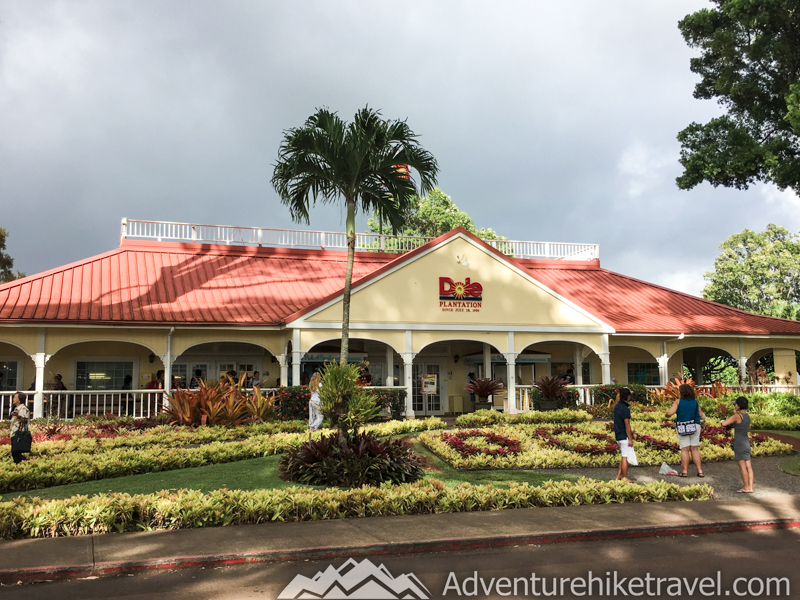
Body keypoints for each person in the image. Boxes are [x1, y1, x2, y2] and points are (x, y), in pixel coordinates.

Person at [666, 383, 705, 477]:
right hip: (695, 425)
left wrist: (666, 415)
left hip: (682, 426)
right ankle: (700, 471)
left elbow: (670, 413)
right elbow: (702, 415)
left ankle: (685, 471)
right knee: (694, 449)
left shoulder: (678, 402)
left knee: (685, 449)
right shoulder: (695, 402)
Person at [722, 396, 753, 493]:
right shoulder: (747, 416)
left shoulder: (737, 416)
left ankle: (745, 487)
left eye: (736, 404)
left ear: (739, 406)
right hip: (746, 442)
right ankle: (750, 487)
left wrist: (722, 421)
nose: (735, 405)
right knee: (748, 466)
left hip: (739, 443)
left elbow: (724, 424)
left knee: (742, 466)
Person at [613, 387, 635, 481]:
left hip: (618, 434)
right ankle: (625, 477)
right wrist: (630, 438)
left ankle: (619, 476)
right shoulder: (625, 409)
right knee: (625, 457)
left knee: (623, 455)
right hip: (624, 436)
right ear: (628, 397)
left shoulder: (617, 406)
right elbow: (627, 425)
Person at [10, 392, 31, 464]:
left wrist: (18, 415)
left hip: (19, 433)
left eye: (15, 397)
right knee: (15, 452)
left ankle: (25, 463)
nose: (13, 399)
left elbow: (25, 420)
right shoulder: (16, 408)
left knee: (15, 451)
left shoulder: (23, 408)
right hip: (14, 432)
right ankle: (20, 465)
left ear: (19, 399)